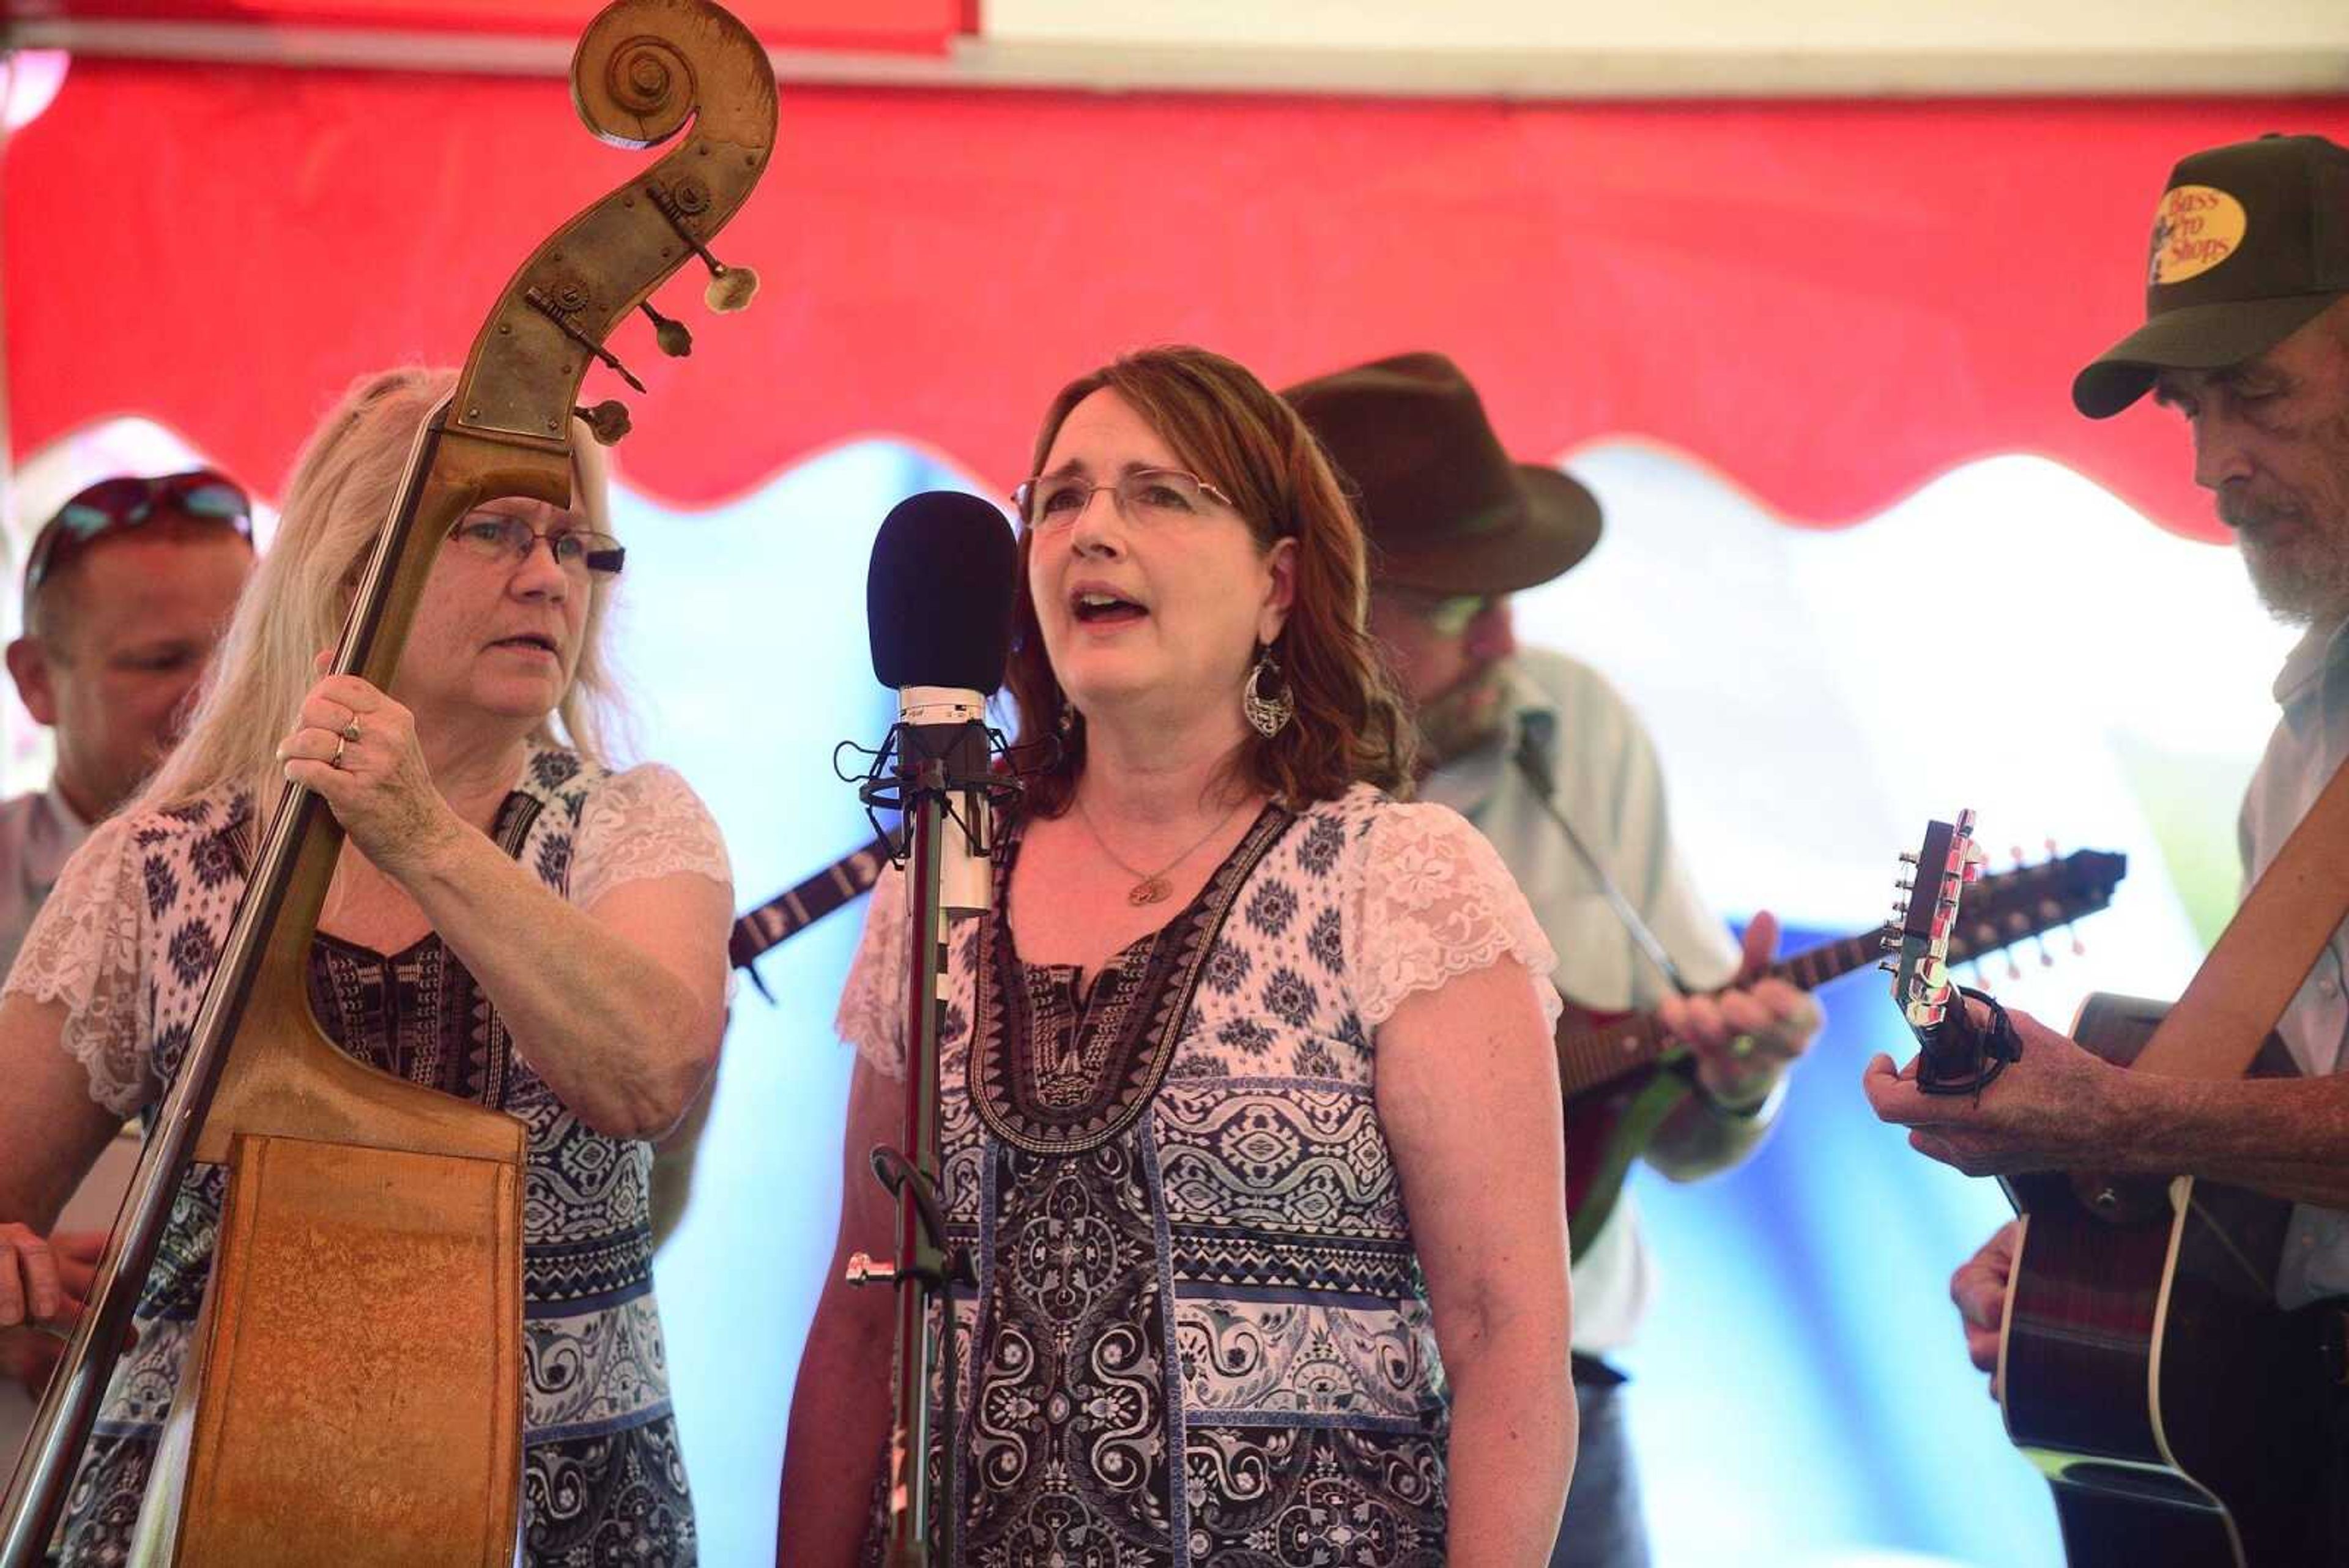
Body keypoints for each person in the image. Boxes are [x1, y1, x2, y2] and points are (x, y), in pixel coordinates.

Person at [779, 345, 1576, 1564]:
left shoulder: (1398, 875)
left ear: (1279, 583)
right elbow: (862, 1307)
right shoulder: (943, 875)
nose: (1095, 528)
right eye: (1061, 499)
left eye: (1160, 493)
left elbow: (1503, 1332)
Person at [0, 366, 732, 1564]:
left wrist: (425, 833)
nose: (545, 576)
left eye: (570, 544)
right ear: (354, 571)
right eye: (492, 529)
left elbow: (649, 1075)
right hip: (201, 1510)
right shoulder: (152, 865)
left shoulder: (631, 824)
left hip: (553, 1516)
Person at [1863, 132, 2349, 1555]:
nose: (2211, 466)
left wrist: (2124, 1122)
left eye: (2254, 395)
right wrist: (2104, 1244)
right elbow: (2293, 1126)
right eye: (2190, 410)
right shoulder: (2304, 741)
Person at [1286, 352, 1822, 1568]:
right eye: (1459, 604)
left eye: (1511, 596)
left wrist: (1738, 1085)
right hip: (1281, 1431)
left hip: (1559, 1413)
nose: (1506, 642)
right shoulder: (1207, 802)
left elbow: (1675, 1136)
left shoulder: (1576, 727)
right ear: (1318, 605)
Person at [2, 469, 256, 975]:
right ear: (37, 681)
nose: (219, 698)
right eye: (162, 661)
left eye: (245, 655)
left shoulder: (342, 862)